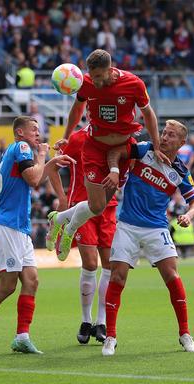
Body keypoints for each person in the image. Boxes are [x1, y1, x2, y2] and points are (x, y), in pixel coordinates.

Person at [0, 116, 73, 355]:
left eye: (38, 130)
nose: (38, 134)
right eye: (33, 130)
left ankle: (22, 336)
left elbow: (36, 176)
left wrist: (50, 163)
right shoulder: (21, 147)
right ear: (19, 133)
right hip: (7, 226)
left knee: (31, 280)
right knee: (8, 286)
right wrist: (42, 156)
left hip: (19, 229)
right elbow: (32, 179)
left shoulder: (17, 152)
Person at [47, 49, 165, 262]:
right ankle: (69, 229)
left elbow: (148, 114)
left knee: (98, 206)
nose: (96, 81)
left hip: (122, 150)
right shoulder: (85, 82)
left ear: (110, 70)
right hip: (94, 148)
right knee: (96, 204)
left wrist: (156, 145)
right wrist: (66, 135)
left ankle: (61, 221)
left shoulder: (133, 84)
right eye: (92, 76)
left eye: (99, 77)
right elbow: (78, 107)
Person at [99, 120, 194, 356]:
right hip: (127, 225)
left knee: (172, 276)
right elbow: (115, 151)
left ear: (181, 143)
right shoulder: (145, 149)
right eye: (164, 133)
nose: (164, 137)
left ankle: (185, 333)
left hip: (157, 228)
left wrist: (189, 215)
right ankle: (111, 337)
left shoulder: (181, 171)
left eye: (171, 135)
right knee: (118, 276)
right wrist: (114, 171)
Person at [46, 128, 116, 345]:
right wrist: (63, 198)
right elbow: (53, 168)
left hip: (109, 208)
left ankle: (101, 322)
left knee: (109, 265)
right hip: (81, 207)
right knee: (90, 263)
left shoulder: (117, 135)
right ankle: (86, 321)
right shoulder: (77, 138)